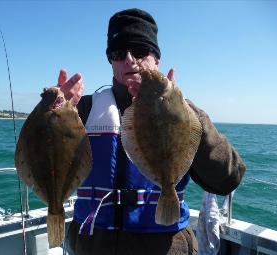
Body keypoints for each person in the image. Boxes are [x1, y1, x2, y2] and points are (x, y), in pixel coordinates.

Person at [57, 8, 246, 255]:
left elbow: (228, 179)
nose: (128, 59)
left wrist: (188, 117)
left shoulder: (186, 114)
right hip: (93, 245)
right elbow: (47, 167)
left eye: (139, 50)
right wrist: (53, 116)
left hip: (165, 246)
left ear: (156, 58)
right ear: (111, 60)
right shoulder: (82, 110)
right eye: (118, 52)